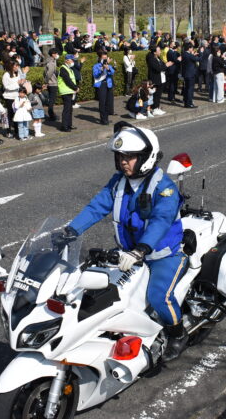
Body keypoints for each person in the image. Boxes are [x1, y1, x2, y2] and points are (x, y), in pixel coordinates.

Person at [66, 123, 189, 361]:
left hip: (162, 255)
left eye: (130, 157)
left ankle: (178, 334)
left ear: (146, 157)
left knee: (158, 296)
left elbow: (160, 221)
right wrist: (71, 230)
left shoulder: (165, 189)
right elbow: (96, 207)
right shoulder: (118, 182)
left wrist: (141, 250)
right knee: (92, 285)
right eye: (120, 156)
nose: (124, 161)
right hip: (126, 253)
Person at [146, 45, 171, 115]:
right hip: (155, 79)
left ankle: (156, 107)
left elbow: (162, 65)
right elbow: (158, 68)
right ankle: (154, 109)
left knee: (159, 94)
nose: (160, 52)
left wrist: (166, 65)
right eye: (159, 50)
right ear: (154, 52)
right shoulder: (151, 58)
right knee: (156, 95)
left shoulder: (157, 57)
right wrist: (166, 65)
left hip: (161, 78)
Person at [57, 53, 79, 132]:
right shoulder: (63, 69)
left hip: (70, 91)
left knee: (70, 109)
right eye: (71, 60)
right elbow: (67, 80)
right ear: (67, 60)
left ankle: (69, 125)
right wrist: (75, 87)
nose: (73, 61)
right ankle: (64, 126)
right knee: (67, 109)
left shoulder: (69, 69)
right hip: (65, 91)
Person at [92, 51, 115, 125]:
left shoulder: (109, 65)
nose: (105, 59)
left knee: (108, 102)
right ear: (100, 58)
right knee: (102, 102)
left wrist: (108, 68)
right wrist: (102, 68)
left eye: (106, 58)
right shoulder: (96, 66)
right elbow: (96, 75)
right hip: (101, 85)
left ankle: (106, 118)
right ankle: (103, 119)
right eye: (103, 58)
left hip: (108, 84)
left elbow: (112, 72)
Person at [180, 41, 201, 107]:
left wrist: (192, 55)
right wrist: (201, 53)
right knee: (190, 89)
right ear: (189, 48)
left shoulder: (184, 54)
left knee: (187, 88)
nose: (192, 49)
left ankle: (186, 102)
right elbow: (198, 59)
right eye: (192, 48)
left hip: (186, 74)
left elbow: (191, 58)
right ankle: (189, 103)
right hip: (190, 74)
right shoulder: (189, 55)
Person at [44, 48, 59, 122]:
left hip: (51, 83)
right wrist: (46, 81)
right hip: (52, 83)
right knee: (52, 100)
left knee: (51, 100)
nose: (57, 55)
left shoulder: (51, 61)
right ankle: (51, 115)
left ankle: (51, 114)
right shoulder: (51, 62)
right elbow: (49, 72)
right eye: (56, 53)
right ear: (53, 54)